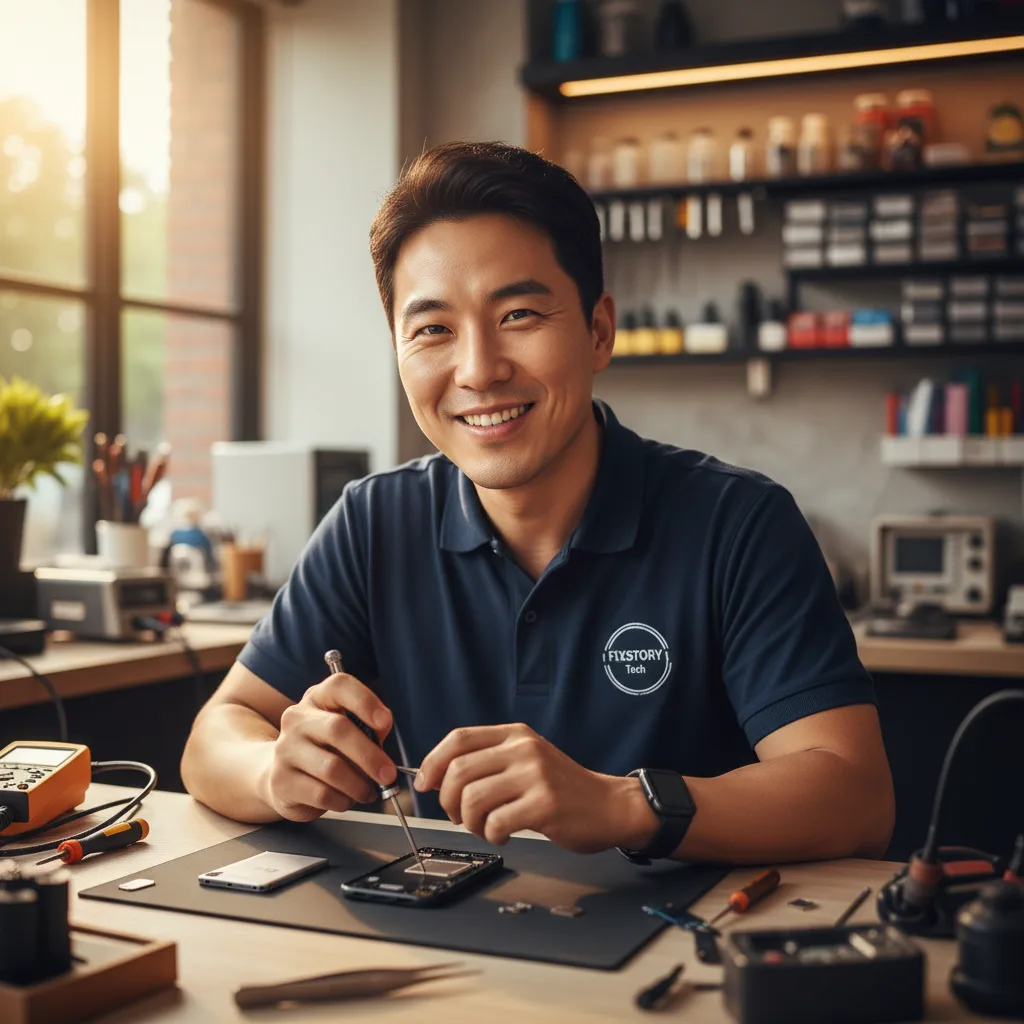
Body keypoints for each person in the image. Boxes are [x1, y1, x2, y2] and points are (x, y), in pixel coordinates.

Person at [181, 142, 894, 865]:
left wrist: (624, 803)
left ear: (599, 330)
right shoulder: (373, 523)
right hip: (451, 937)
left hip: (685, 949)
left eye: (518, 314)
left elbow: (856, 796)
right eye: (432, 329)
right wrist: (276, 771)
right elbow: (219, 734)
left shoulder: (738, 524)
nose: (479, 370)